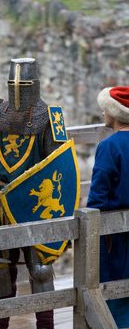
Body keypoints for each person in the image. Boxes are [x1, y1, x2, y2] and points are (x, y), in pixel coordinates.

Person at [0, 58, 63, 329]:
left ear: (33, 85)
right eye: (13, 83)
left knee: (40, 269)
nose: (16, 89)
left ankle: (45, 325)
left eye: (22, 84)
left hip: (34, 201)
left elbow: (57, 167)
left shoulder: (51, 116)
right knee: (0, 270)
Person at [87, 86, 129, 328]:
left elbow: (97, 198)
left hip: (115, 238)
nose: (103, 114)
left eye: (106, 110)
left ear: (115, 113)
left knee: (114, 294)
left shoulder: (109, 147)